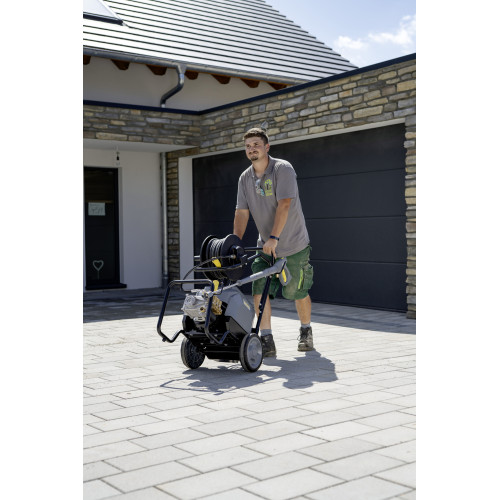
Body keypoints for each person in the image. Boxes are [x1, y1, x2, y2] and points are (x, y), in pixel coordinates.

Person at [233, 127, 314, 357]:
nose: (252, 149)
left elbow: (285, 204)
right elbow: (241, 212)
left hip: (293, 244)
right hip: (265, 247)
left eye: (256, 144)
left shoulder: (282, 169)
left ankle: (306, 330)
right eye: (248, 146)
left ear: (267, 147)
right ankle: (266, 338)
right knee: (259, 290)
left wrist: (274, 237)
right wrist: (235, 243)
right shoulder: (245, 178)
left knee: (296, 291)